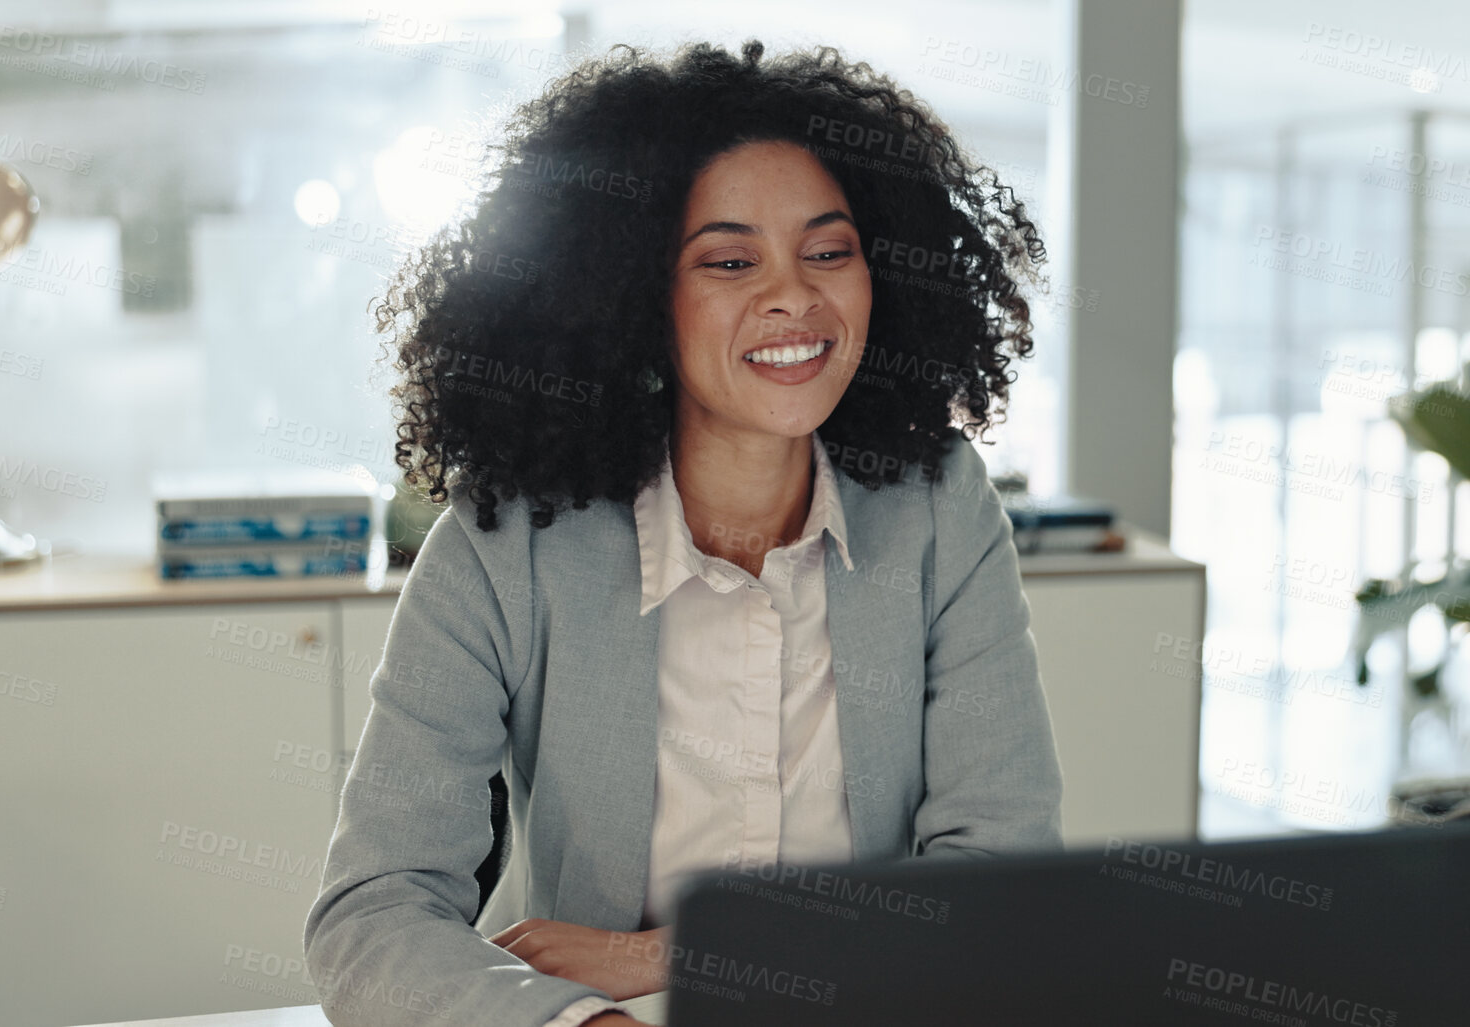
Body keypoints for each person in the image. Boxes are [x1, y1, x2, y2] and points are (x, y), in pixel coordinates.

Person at [302, 38, 1064, 1027]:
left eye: (829, 250)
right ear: (632, 299)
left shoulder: (939, 506)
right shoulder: (505, 544)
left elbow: (1002, 886)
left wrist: (667, 954)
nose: (795, 295)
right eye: (731, 260)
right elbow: (373, 911)